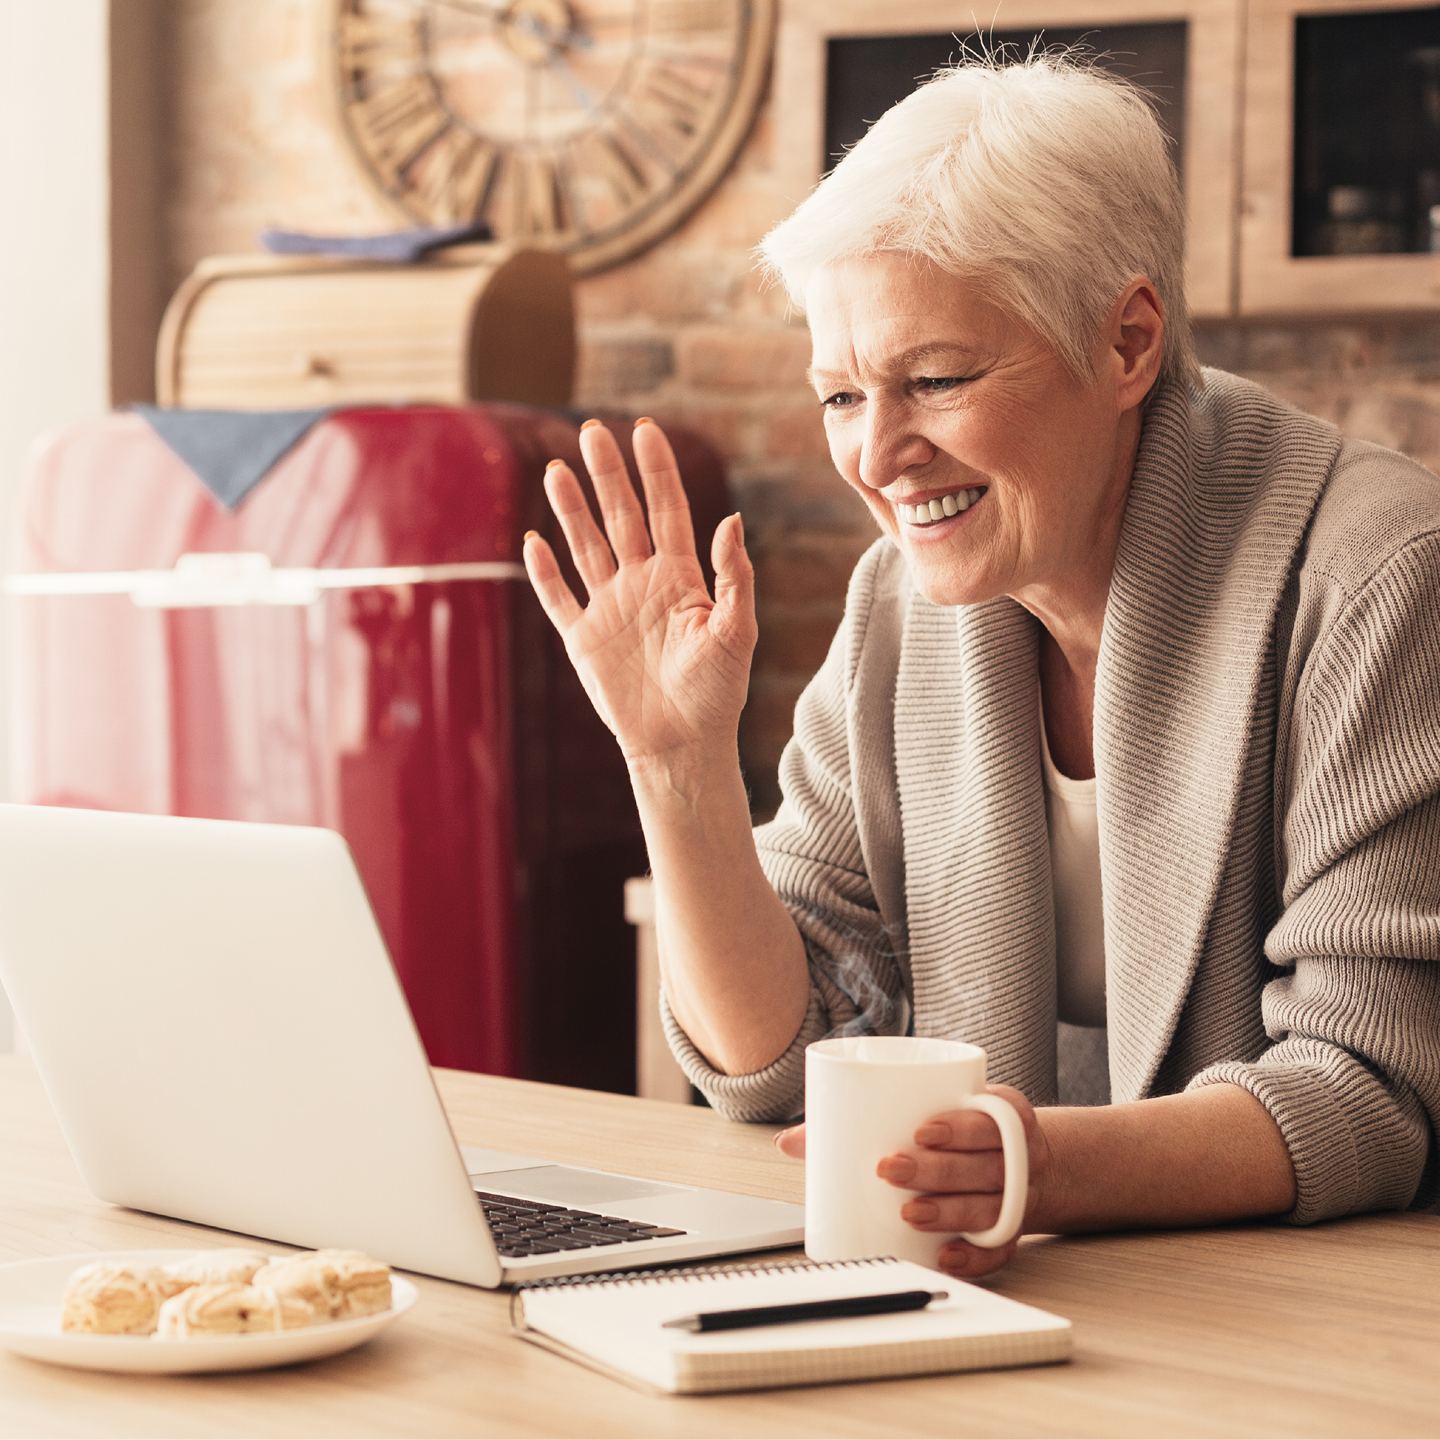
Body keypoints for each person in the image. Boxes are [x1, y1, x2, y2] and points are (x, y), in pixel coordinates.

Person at [522, 56, 1440, 1279]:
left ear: (1125, 344)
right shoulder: (898, 608)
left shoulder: (1380, 581)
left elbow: (1370, 1084)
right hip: (1034, 1300)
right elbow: (786, 1060)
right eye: (841, 394)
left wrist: (1032, 1168)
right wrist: (675, 764)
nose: (880, 455)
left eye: (937, 379)